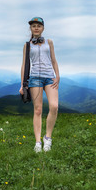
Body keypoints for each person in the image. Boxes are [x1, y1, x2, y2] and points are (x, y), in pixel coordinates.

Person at [19, 17, 60, 153]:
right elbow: (24, 65)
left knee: (54, 106)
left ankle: (47, 138)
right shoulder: (27, 45)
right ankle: (38, 142)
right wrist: (22, 85)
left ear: (43, 28)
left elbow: (53, 60)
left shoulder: (49, 42)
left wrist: (57, 76)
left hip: (49, 78)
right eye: (33, 26)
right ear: (30, 29)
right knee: (38, 110)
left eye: (39, 26)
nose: (36, 28)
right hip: (34, 79)